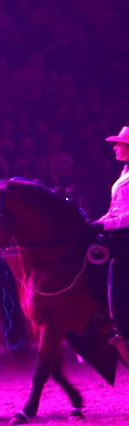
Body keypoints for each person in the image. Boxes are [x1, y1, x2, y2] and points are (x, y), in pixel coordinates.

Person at [96, 126, 129, 341]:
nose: (115, 147)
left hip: (126, 237)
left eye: (119, 144)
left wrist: (106, 225)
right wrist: (99, 222)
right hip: (117, 232)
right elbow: (117, 207)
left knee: (122, 284)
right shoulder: (124, 173)